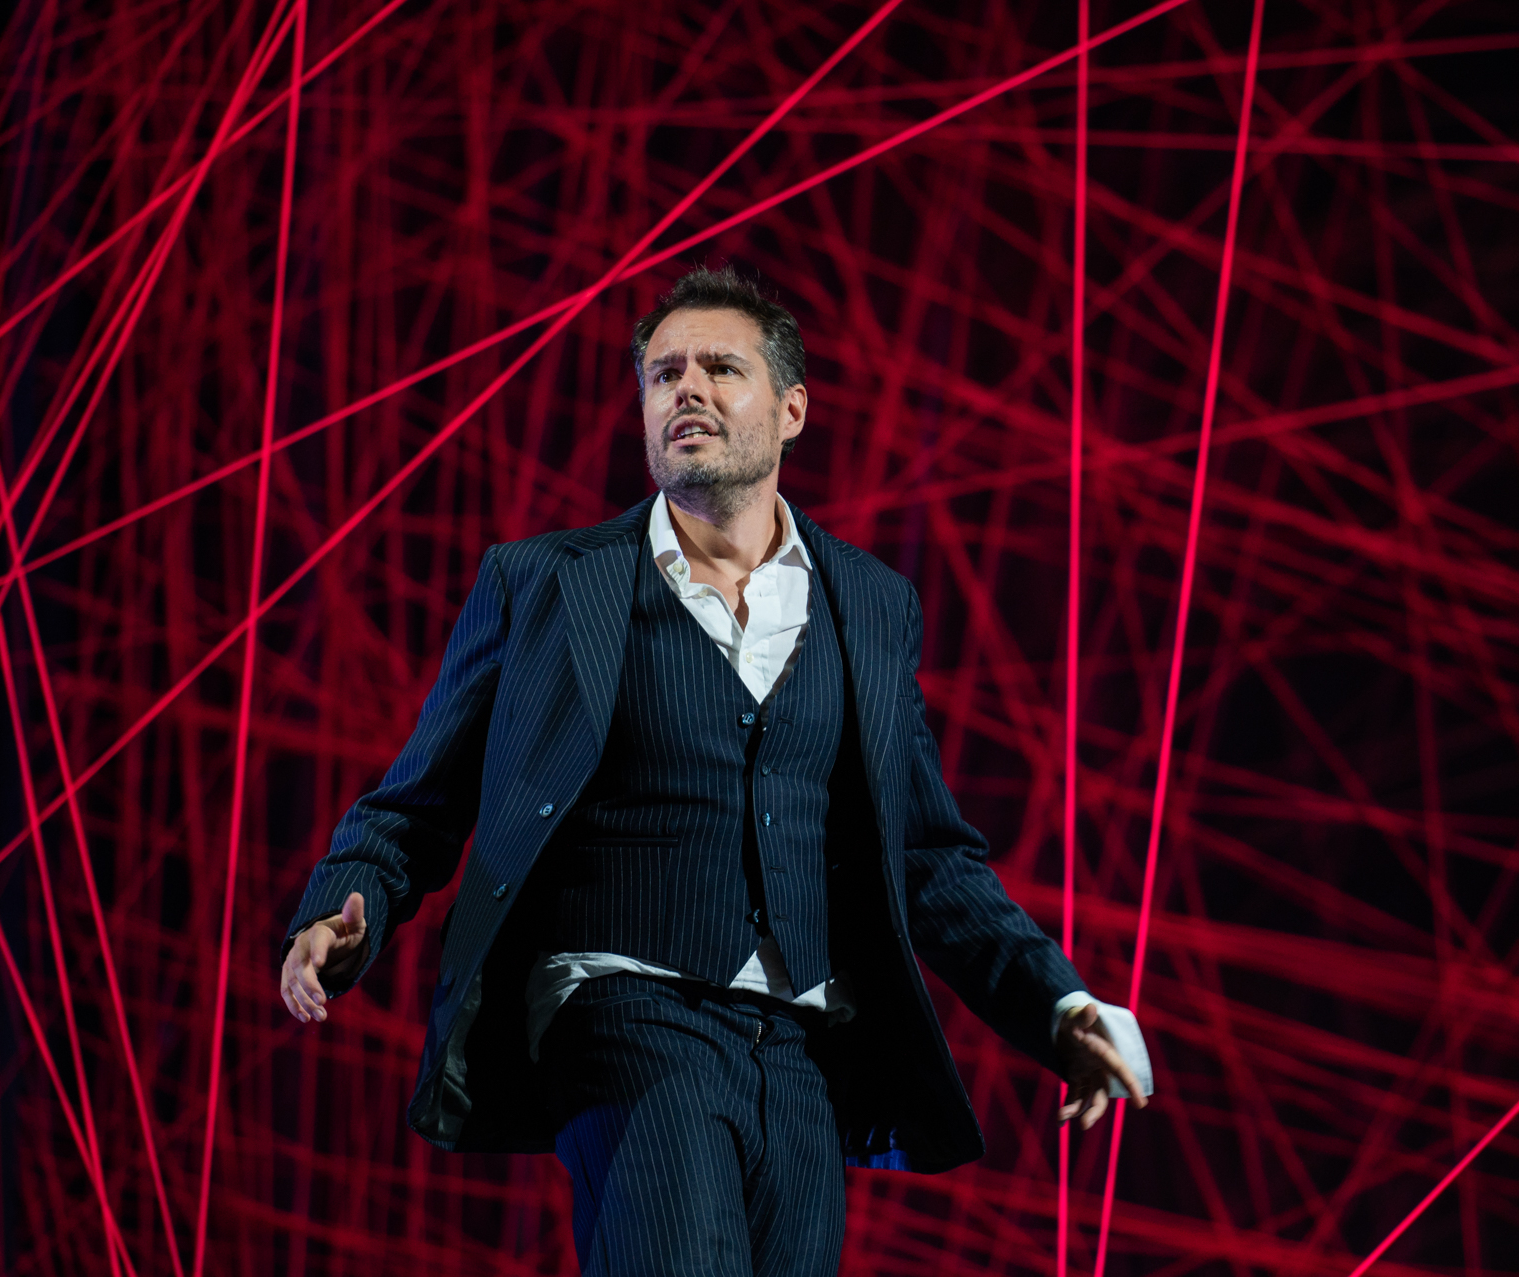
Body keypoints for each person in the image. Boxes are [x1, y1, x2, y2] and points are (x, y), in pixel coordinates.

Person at [279, 265, 1154, 1276]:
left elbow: (927, 854)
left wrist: (1057, 1004)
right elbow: (416, 801)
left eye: (719, 368)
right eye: (663, 373)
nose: (684, 389)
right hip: (623, 1012)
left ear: (791, 410)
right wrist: (340, 911)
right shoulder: (546, 584)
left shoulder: (867, 603)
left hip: (801, 1048)